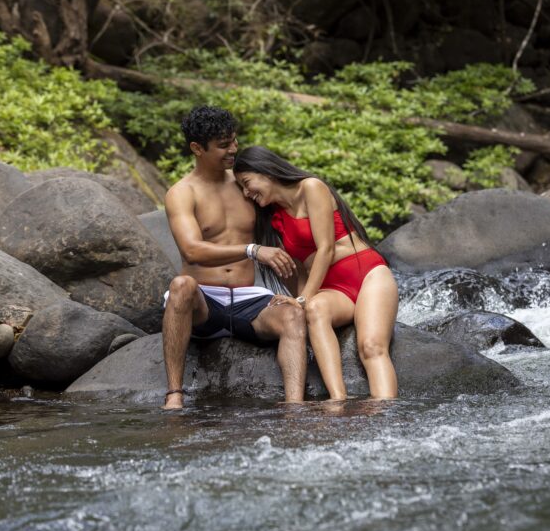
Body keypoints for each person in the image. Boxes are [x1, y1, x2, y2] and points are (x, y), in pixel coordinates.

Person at [161, 107, 308, 409]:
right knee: (180, 285)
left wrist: (302, 296)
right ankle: (175, 395)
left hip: (248, 300)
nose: (234, 150)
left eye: (234, 141)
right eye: (224, 145)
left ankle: (295, 408)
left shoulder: (246, 184)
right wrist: (251, 250)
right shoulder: (182, 192)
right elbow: (192, 250)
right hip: (204, 301)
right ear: (197, 148)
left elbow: (291, 227)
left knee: (292, 314)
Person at [233, 146, 398, 400]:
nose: (246, 193)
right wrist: (299, 303)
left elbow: (326, 249)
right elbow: (299, 270)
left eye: (247, 183)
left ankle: (386, 415)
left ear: (265, 171)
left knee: (371, 347)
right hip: (333, 289)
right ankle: (337, 399)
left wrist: (302, 298)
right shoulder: (275, 219)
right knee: (314, 309)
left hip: (368, 274)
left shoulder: (310, 187)